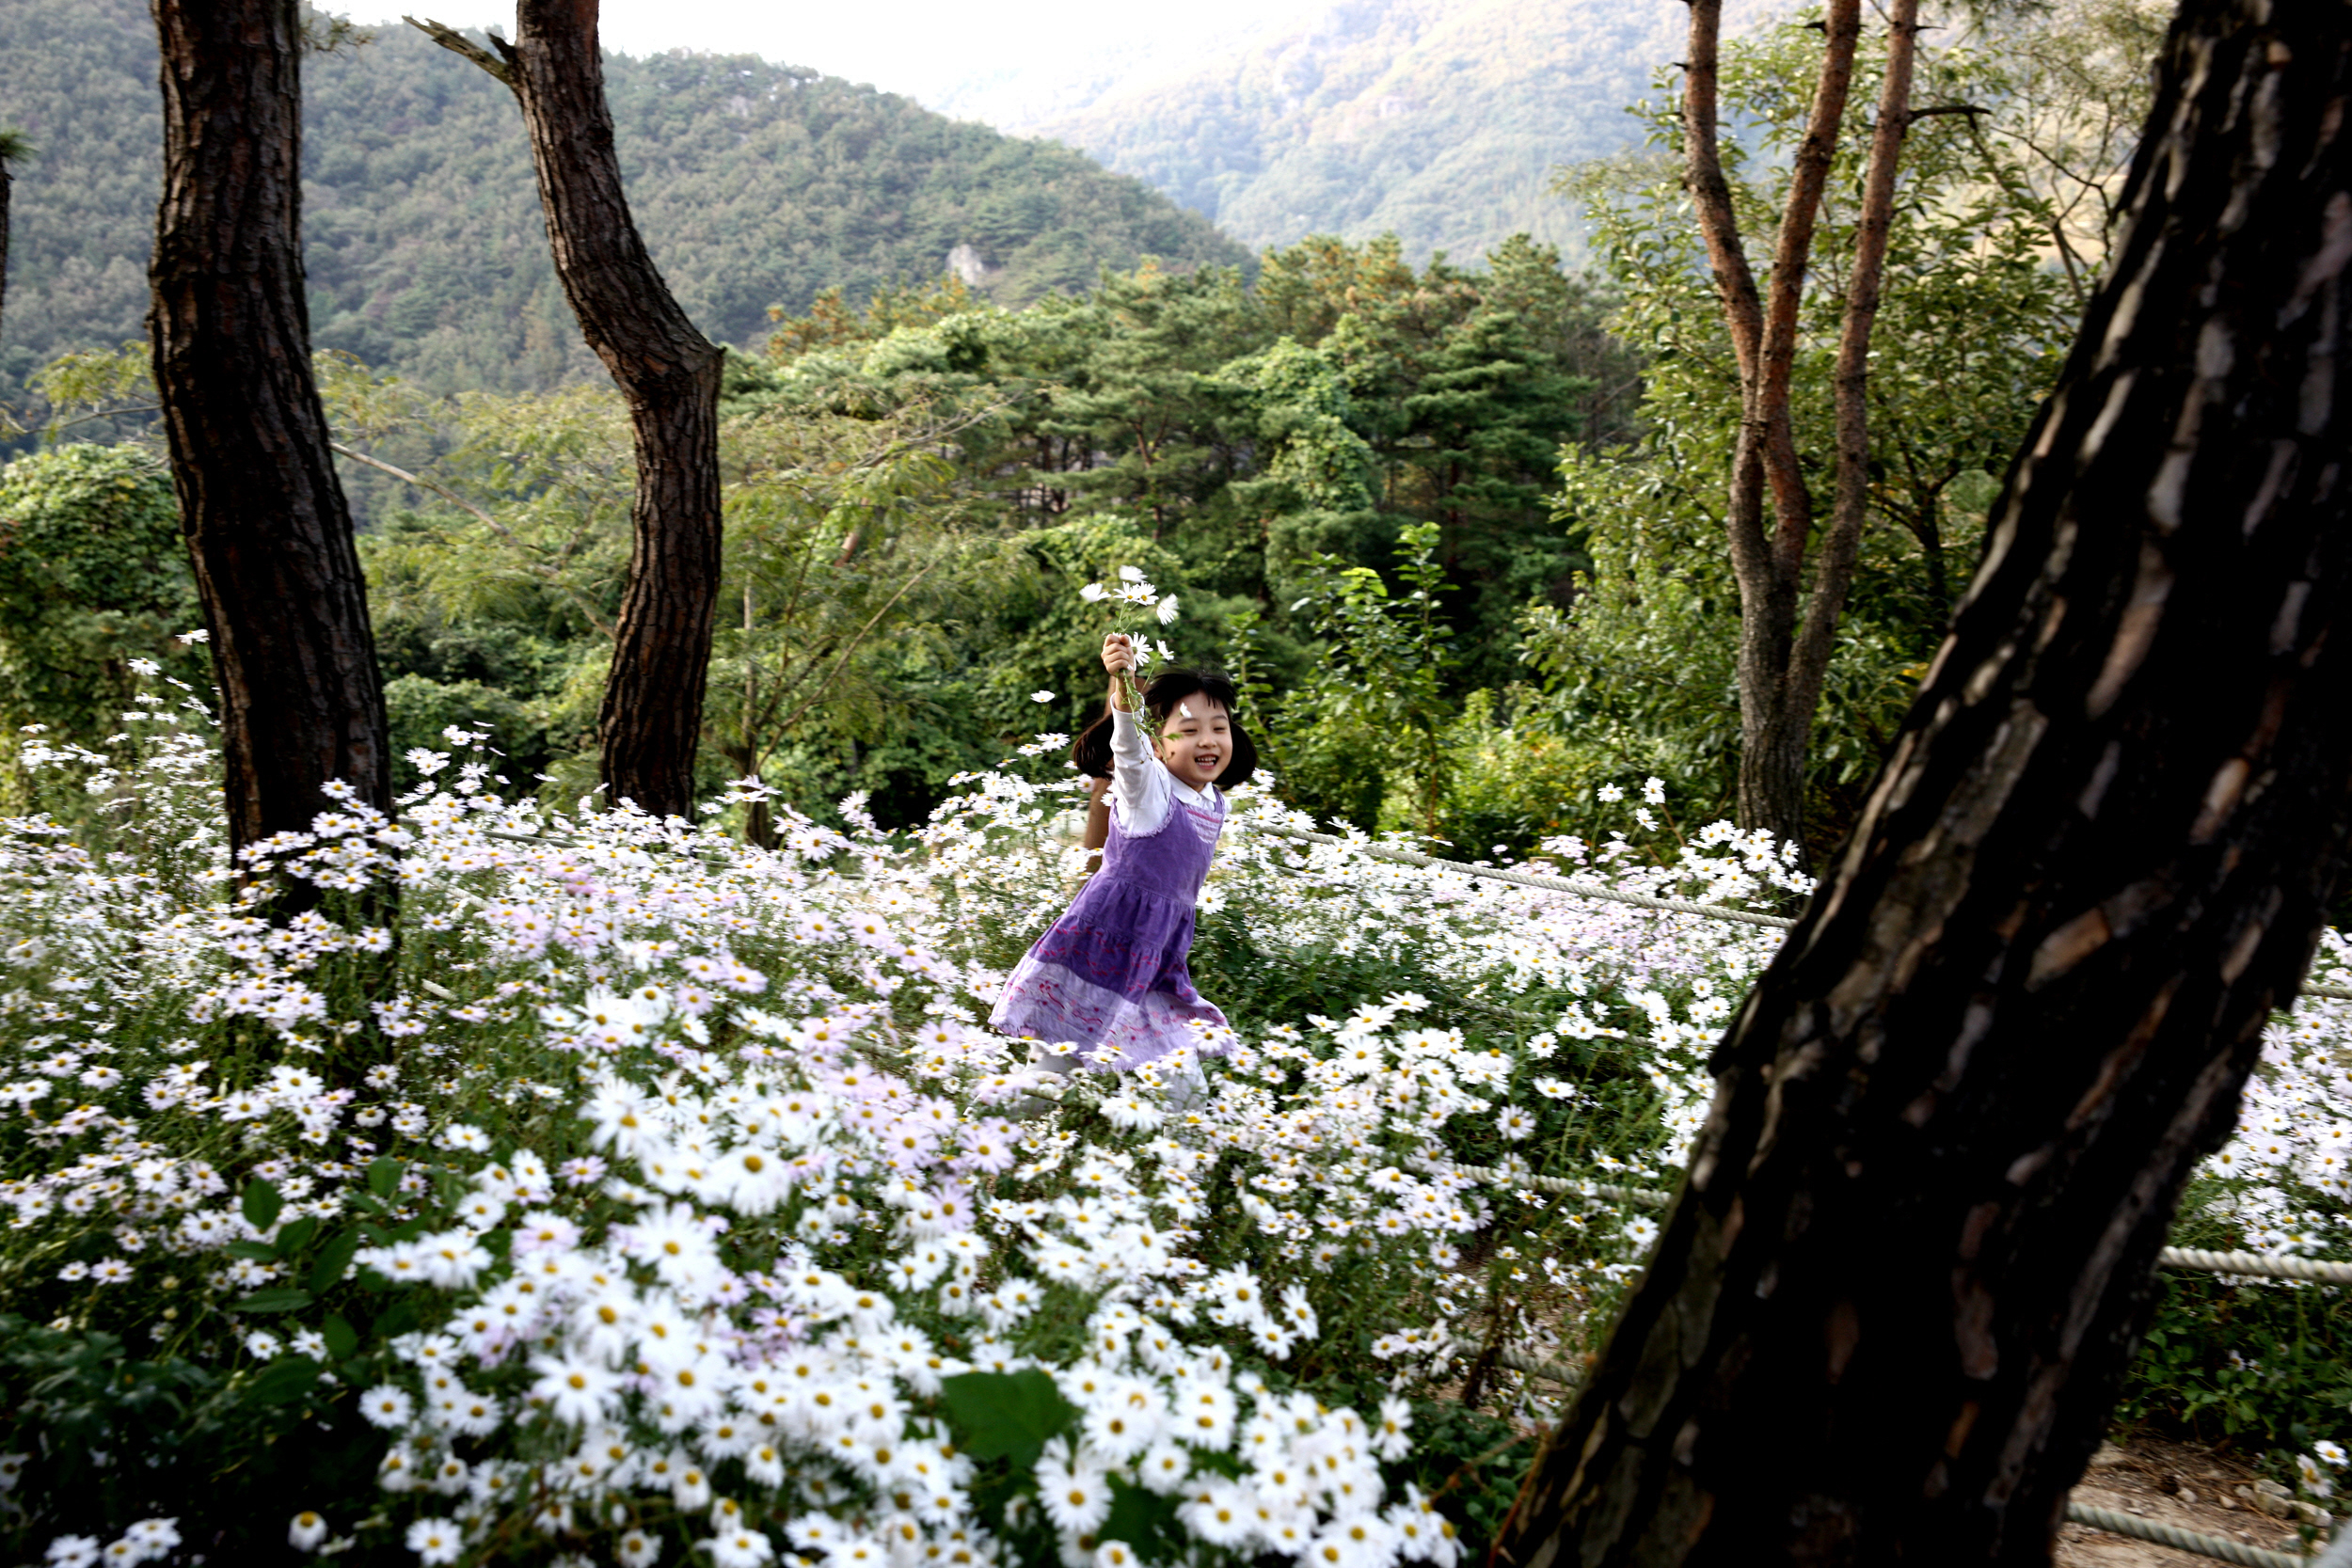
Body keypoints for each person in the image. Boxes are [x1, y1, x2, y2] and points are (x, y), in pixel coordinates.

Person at [991, 632, 1258, 1104]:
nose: (1208, 740)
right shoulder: (1148, 793)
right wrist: (1123, 693)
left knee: (1187, 1095)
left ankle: (1187, 1166)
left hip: (1154, 966)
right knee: (1044, 1084)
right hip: (1096, 956)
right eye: (1190, 729)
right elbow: (1130, 754)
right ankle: (960, 1156)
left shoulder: (1214, 801)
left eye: (1219, 727)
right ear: (1158, 743)